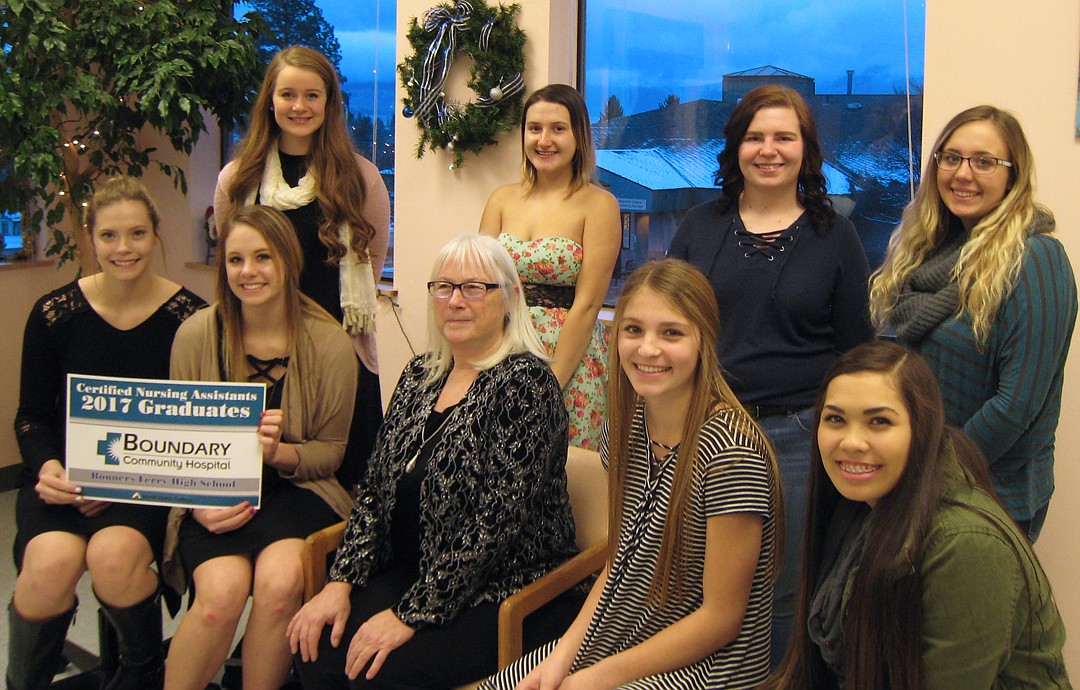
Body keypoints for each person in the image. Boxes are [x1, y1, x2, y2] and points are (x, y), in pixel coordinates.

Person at [287, 234, 581, 689]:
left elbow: (494, 527)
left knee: (380, 675)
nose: (455, 301)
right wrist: (339, 582)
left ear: (510, 298)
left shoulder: (527, 384)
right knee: (315, 648)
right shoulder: (418, 376)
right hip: (417, 567)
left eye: (474, 288)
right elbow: (375, 490)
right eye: (443, 287)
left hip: (507, 588)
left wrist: (412, 613)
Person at [484, 259, 782, 690]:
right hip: (622, 632)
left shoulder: (731, 453)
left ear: (705, 339)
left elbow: (720, 620)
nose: (648, 349)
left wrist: (594, 678)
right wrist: (564, 655)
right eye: (634, 330)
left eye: (672, 333)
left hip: (710, 664)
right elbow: (620, 558)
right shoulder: (624, 426)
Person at [667, 84, 872, 664]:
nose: (769, 149)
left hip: (796, 439)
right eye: (755, 137)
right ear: (735, 148)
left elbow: (855, 353)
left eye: (785, 137)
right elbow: (669, 324)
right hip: (706, 433)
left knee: (783, 590)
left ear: (806, 150)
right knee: (697, 581)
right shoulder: (699, 228)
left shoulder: (836, 237)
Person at [764, 340, 1070, 689]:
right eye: (835, 419)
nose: (851, 442)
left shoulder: (966, 544)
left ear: (922, 428)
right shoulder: (855, 509)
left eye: (879, 421)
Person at [9, 176, 206, 690]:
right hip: (62, 482)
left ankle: (141, 676)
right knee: (50, 564)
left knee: (113, 557)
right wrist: (49, 468)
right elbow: (30, 415)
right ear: (90, 239)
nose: (124, 249)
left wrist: (125, 478)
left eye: (137, 234)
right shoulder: (54, 314)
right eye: (109, 236)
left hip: (144, 486)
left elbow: (196, 423)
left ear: (156, 235)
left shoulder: (191, 319)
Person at [162, 205, 358, 690]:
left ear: (289, 262)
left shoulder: (330, 343)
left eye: (263, 258)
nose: (248, 272)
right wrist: (197, 503)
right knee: (220, 597)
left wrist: (278, 455)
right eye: (235, 260)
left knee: (279, 587)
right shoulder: (193, 336)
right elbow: (172, 448)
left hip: (299, 493)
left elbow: (331, 453)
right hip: (214, 491)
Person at [869, 105, 1077, 542]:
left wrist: (934, 476)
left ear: (1012, 176)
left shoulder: (1036, 258)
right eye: (951, 157)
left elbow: (1016, 404)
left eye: (984, 162)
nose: (963, 173)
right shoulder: (931, 250)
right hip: (917, 483)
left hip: (988, 498)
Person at [214, 45, 391, 488]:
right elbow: (231, 265)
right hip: (259, 358)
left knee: (349, 488)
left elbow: (369, 265)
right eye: (287, 94)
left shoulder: (360, 177)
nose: (299, 106)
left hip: (338, 357)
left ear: (329, 103)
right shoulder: (236, 181)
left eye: (312, 95)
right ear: (269, 101)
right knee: (264, 486)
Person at [480, 83, 621, 450]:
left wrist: (551, 383)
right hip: (501, 352)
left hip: (566, 359)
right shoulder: (501, 199)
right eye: (534, 128)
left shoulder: (599, 204)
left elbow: (588, 305)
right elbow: (478, 285)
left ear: (579, 137)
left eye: (558, 128)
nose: (544, 140)